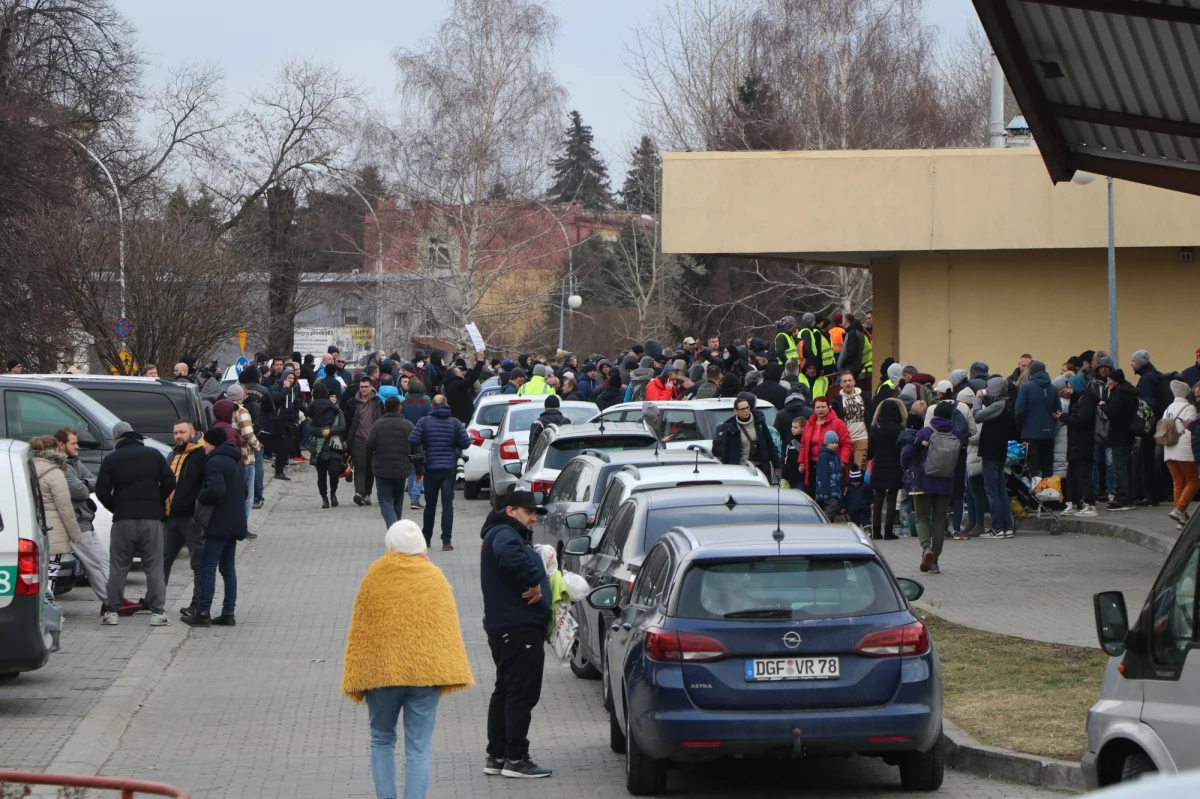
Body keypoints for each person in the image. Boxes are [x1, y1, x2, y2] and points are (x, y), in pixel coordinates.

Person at [342, 520, 474, 799]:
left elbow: (362, 629)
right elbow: (445, 629)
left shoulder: (375, 575)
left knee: (381, 739)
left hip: (383, 675)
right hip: (425, 675)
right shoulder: (434, 577)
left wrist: (361, 671)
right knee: (419, 747)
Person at [479, 491, 552, 779]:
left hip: (506, 626)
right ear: (510, 510)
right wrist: (533, 579)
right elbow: (510, 557)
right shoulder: (505, 533)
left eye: (535, 513)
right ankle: (516, 758)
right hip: (518, 627)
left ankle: (496, 755)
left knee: (506, 691)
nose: (533, 517)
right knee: (521, 694)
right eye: (528, 512)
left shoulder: (501, 532)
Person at [95, 421, 175, 626]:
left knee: (118, 567)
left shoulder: (111, 459)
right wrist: (156, 502)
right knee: (154, 567)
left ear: (116, 439)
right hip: (151, 520)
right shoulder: (154, 455)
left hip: (123, 521)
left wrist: (117, 507)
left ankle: (112, 612)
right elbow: (170, 482)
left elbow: (102, 491)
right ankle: (158, 613)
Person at [183, 427, 247, 627]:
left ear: (213, 444)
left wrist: (200, 496)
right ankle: (228, 612)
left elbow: (215, 490)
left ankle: (203, 612)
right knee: (228, 569)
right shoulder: (237, 461)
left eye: (207, 444)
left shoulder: (214, 462)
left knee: (208, 567)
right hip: (235, 521)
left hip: (218, 523)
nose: (204, 448)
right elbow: (244, 491)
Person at [52, 428, 120, 608]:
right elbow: (81, 490)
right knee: (95, 563)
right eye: (73, 443)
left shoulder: (74, 462)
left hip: (84, 520)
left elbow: (94, 481)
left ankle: (113, 599)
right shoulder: (62, 467)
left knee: (101, 560)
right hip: (75, 521)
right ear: (61, 445)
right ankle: (111, 602)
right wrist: (83, 483)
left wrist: (83, 482)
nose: (78, 447)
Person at [901, 402, 963, 575]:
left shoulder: (926, 432)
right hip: (946, 482)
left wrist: (905, 468)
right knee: (938, 519)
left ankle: (926, 548)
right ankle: (934, 562)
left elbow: (906, 453)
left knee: (921, 517)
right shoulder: (956, 434)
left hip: (923, 481)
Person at [409, 395, 471, 551]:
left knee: (430, 505)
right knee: (447, 505)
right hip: (449, 468)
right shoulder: (455, 423)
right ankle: (446, 542)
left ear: (432, 406)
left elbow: (413, 440)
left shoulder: (424, 422)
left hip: (430, 468)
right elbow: (466, 443)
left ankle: (426, 539)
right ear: (447, 405)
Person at [30, 436, 84, 601]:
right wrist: (75, 535)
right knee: (51, 575)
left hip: (32, 529)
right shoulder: (55, 473)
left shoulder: (26, 469)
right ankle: (48, 610)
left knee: (35, 575)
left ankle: (37, 608)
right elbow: (65, 507)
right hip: (55, 531)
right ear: (55, 450)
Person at [163, 420, 207, 618]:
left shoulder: (200, 454)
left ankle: (197, 603)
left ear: (193, 432)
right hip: (170, 517)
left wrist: (197, 511)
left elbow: (205, 484)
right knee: (162, 560)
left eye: (182, 432)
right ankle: (156, 599)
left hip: (191, 518)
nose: (178, 436)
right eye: (175, 433)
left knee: (198, 563)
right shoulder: (174, 454)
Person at [972, 377, 1017, 538]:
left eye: (989, 388)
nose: (987, 390)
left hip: (990, 452)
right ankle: (1007, 527)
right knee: (1001, 491)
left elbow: (977, 415)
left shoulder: (998, 405)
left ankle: (997, 528)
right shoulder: (1008, 405)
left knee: (992, 492)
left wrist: (977, 399)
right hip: (1000, 451)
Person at [367, 396, 418, 529]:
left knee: (385, 501)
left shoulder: (377, 425)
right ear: (399, 408)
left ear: (385, 408)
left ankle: (394, 529)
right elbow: (416, 448)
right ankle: (397, 530)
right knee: (398, 500)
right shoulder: (408, 425)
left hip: (382, 469)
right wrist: (419, 470)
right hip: (401, 468)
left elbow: (368, 446)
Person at [1058, 374, 1098, 516]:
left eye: (1070, 386)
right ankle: (1073, 503)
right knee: (1072, 476)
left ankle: (1090, 504)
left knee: (1083, 475)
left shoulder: (1085, 400)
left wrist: (1063, 417)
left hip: (1083, 443)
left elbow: (1082, 421)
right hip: (1074, 443)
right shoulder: (1077, 400)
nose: (1069, 389)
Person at [716, 393, 782, 479]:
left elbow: (769, 443)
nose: (746, 411)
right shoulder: (731, 427)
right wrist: (725, 468)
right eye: (742, 409)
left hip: (759, 467)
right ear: (736, 411)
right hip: (739, 468)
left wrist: (776, 464)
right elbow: (726, 449)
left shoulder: (759, 422)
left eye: (747, 408)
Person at [1100, 369, 1139, 511]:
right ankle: (1128, 496)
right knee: (1125, 466)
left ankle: (1124, 499)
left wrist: (1103, 405)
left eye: (1109, 380)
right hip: (1128, 435)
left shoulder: (1120, 394)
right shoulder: (1129, 392)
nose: (1107, 382)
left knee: (1119, 467)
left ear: (1115, 381)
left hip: (1119, 436)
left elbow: (1111, 412)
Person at [225, 384, 263, 529]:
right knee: (247, 495)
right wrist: (257, 444)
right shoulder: (242, 411)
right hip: (245, 456)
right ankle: (242, 526)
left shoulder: (222, 408)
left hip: (230, 456)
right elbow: (248, 433)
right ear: (241, 396)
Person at [868, 398, 907, 540]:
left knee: (878, 499)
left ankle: (876, 531)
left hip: (878, 465)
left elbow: (870, 450)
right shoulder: (900, 429)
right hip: (894, 465)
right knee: (891, 498)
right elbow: (902, 449)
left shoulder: (874, 428)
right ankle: (888, 531)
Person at [1162, 380, 1198, 527]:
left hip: (1169, 449)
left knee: (1178, 483)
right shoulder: (1190, 408)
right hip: (1184, 450)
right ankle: (1180, 509)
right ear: (1188, 393)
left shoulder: (1169, 407)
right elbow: (1192, 430)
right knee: (1194, 480)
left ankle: (1181, 518)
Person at [797, 396, 851, 495]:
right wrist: (801, 462)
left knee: (829, 495)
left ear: (829, 407)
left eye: (823, 407)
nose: (820, 410)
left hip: (831, 465)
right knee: (813, 493)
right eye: (818, 407)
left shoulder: (838, 423)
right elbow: (804, 444)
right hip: (812, 465)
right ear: (814, 408)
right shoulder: (809, 424)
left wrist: (843, 462)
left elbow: (846, 443)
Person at [1014, 361, 1059, 478]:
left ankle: (1033, 494)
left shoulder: (1025, 387)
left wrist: (1020, 426)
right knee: (1048, 468)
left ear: (1031, 373)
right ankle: (1048, 494)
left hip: (1030, 433)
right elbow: (1058, 411)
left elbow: (1019, 410)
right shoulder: (1053, 388)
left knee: (1031, 469)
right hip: (1048, 434)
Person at [1130, 350, 1164, 506]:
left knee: (1147, 460)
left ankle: (1151, 496)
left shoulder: (1147, 379)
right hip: (1155, 424)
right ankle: (1152, 494)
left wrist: (1144, 424)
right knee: (1149, 460)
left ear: (1139, 363)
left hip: (1149, 427)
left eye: (1133, 361)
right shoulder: (1153, 375)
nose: (1131, 364)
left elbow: (1147, 404)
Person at [238, 366, 274, 508]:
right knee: (257, 462)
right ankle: (258, 496)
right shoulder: (263, 390)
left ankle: (243, 494)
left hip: (240, 428)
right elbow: (271, 409)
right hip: (259, 429)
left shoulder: (240, 388)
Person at [346, 375, 384, 506]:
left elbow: (382, 420)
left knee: (370, 469)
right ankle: (359, 493)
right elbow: (347, 422)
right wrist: (346, 439)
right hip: (358, 439)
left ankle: (367, 494)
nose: (363, 389)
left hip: (373, 441)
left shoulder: (378, 402)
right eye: (361, 387)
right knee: (360, 467)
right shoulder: (352, 403)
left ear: (372, 387)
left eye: (366, 387)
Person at [308, 382, 347, 509]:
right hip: (320, 447)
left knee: (334, 471)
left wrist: (330, 431)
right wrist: (320, 432)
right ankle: (324, 498)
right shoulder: (315, 413)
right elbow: (310, 428)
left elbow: (342, 426)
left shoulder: (337, 411)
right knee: (321, 475)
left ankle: (333, 493)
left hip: (335, 447)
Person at [400, 380, 432, 510]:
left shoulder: (403, 404)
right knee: (420, 469)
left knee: (412, 469)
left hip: (406, 439)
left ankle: (412, 496)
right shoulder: (426, 403)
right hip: (421, 440)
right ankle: (415, 498)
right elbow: (430, 422)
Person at [270, 369, 304, 481]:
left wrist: (295, 419)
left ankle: (283, 467)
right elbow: (277, 399)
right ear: (283, 378)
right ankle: (278, 471)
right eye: (289, 378)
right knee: (282, 446)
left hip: (290, 422)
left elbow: (296, 405)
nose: (291, 380)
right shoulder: (276, 388)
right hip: (279, 421)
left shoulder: (293, 390)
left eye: (292, 378)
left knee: (288, 446)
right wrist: (285, 389)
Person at [831, 371, 871, 467]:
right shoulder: (837, 400)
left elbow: (870, 415)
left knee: (860, 470)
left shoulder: (864, 396)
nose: (847, 383)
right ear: (840, 384)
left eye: (849, 380)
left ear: (854, 382)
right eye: (844, 381)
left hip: (862, 437)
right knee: (845, 470)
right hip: (845, 440)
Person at [443, 354, 485, 424]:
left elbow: (467, 377)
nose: (461, 373)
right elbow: (471, 379)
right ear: (455, 374)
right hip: (461, 419)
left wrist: (472, 367)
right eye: (459, 371)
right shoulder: (456, 385)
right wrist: (480, 362)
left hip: (459, 417)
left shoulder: (452, 382)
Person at [814, 431, 845, 518]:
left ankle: (829, 526)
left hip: (835, 489)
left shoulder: (836, 455)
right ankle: (823, 523)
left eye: (836, 443)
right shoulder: (824, 456)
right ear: (826, 443)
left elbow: (839, 471)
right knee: (832, 506)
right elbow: (823, 474)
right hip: (826, 489)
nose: (835, 445)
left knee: (834, 508)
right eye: (832, 443)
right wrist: (825, 489)